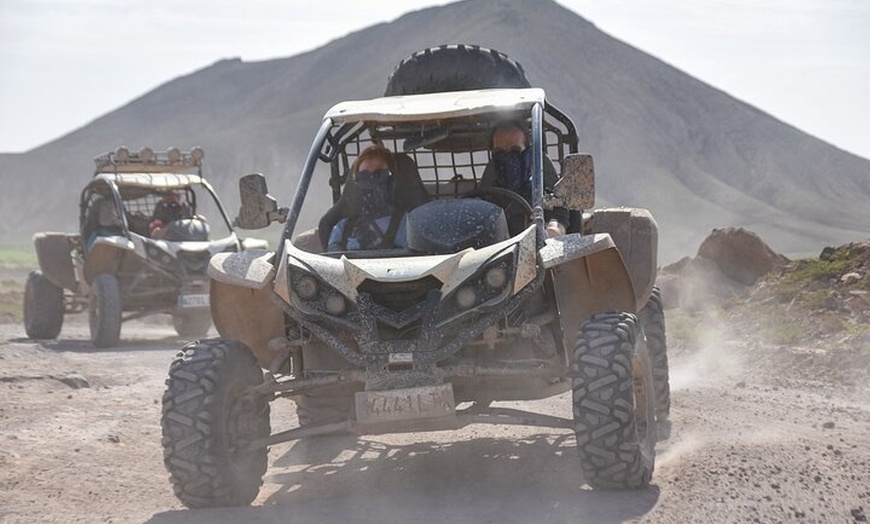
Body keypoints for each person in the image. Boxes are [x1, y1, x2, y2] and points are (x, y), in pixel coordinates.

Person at [325, 145, 423, 251]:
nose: (371, 181)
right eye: (364, 177)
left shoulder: (410, 224)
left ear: (392, 179)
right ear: (357, 183)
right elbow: (332, 259)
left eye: (378, 174)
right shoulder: (343, 228)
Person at [480, 121, 569, 237]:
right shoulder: (489, 188)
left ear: (527, 152)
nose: (507, 158)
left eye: (515, 150)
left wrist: (547, 233)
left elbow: (558, 219)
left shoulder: (542, 186)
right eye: (499, 152)